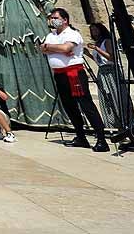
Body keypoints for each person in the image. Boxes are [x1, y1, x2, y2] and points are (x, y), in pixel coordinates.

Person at [42, 8, 109, 152]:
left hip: (74, 73)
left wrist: (54, 48)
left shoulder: (73, 34)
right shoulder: (51, 35)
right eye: (51, 18)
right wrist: (55, 48)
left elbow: (67, 47)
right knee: (69, 106)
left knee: (86, 105)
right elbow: (43, 48)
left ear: (64, 19)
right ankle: (80, 136)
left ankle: (101, 138)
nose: (53, 20)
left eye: (55, 17)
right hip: (59, 74)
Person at [86, 22, 126, 130]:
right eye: (92, 30)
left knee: (115, 95)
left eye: (95, 30)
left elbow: (111, 57)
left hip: (111, 70)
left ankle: (123, 122)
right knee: (106, 97)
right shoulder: (98, 43)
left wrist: (96, 48)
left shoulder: (106, 41)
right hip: (102, 71)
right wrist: (88, 54)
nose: (94, 32)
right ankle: (111, 123)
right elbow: (99, 61)